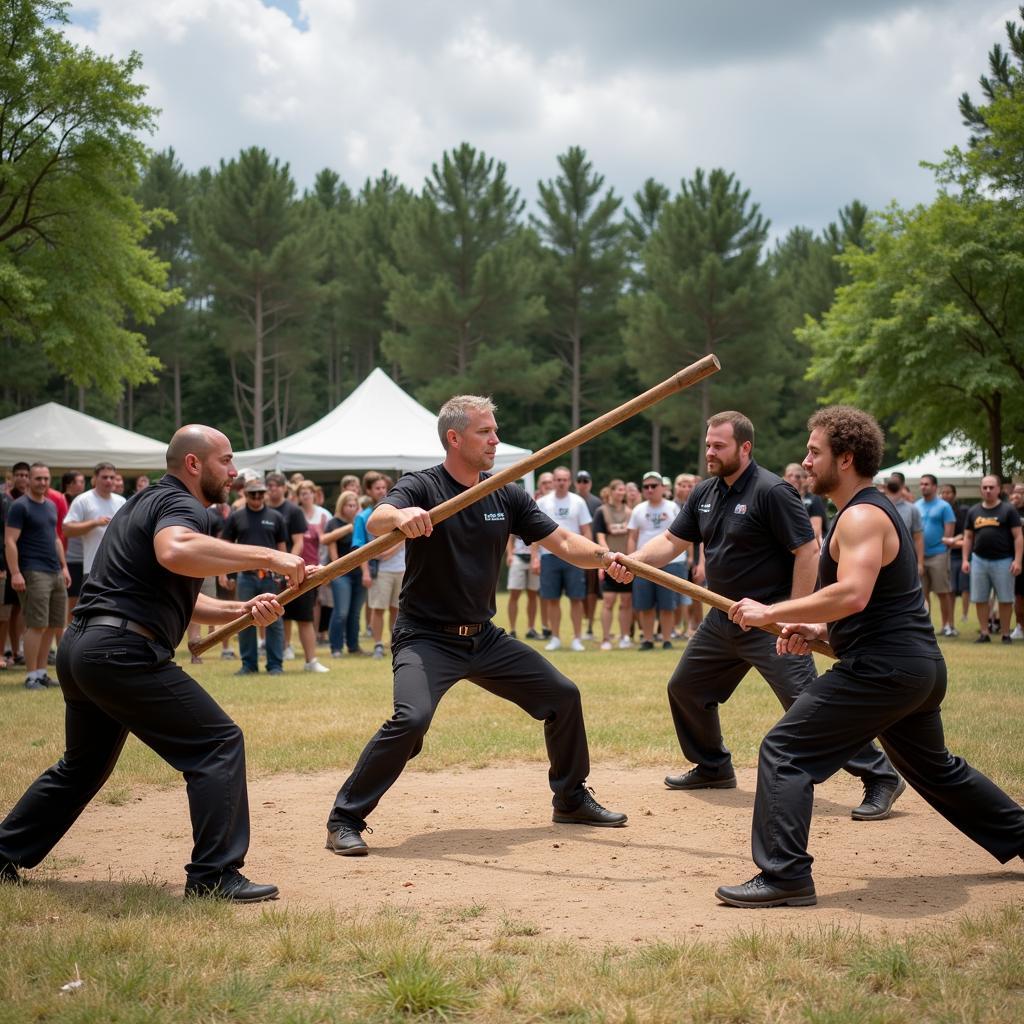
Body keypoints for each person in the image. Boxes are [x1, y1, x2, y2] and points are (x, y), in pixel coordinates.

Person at [718, 406, 1024, 907]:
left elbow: (854, 593)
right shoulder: (864, 512)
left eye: (815, 452)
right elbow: (867, 607)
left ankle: (785, 876)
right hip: (915, 669)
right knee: (937, 770)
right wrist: (814, 628)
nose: (805, 460)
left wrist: (770, 610)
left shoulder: (860, 515)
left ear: (846, 458)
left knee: (785, 751)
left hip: (885, 671)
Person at [0, 426, 305, 901]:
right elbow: (175, 551)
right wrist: (271, 555)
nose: (232, 471)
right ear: (193, 464)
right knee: (217, 743)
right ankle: (214, 875)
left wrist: (242, 610)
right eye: (226, 461)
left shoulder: (144, 504)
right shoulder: (183, 509)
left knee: (81, 767)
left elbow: (179, 598)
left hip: (86, 650)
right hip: (121, 652)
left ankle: (2, 853)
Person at [323, 395, 627, 856]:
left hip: (482, 638)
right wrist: (402, 516)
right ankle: (345, 818)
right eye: (485, 431)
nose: (495, 439)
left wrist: (606, 558)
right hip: (425, 636)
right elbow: (381, 517)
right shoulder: (422, 486)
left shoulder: (504, 490)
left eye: (494, 430)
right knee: (412, 719)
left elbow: (563, 540)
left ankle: (570, 798)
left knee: (562, 696)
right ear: (454, 438)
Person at [619, 411, 901, 819]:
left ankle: (880, 776)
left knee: (809, 704)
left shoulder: (773, 491)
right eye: (708, 444)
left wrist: (790, 618)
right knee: (687, 689)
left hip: (769, 622)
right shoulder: (705, 493)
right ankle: (712, 765)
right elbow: (670, 540)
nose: (710, 452)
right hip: (722, 615)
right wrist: (635, 561)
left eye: (719, 445)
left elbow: (807, 550)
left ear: (744, 447)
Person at [4, 463, 70, 690]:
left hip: (55, 571)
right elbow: (10, 540)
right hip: (32, 571)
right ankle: (31, 676)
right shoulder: (20, 506)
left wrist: (64, 567)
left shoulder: (51, 505)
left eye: (46, 478)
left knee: (53, 625)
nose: (42, 482)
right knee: (36, 625)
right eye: (38, 478)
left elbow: (55, 538)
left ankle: (41, 673)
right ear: (29, 480)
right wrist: (15, 572)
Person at [221, 478, 289, 676]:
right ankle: (248, 664)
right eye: (253, 494)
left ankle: (275, 665)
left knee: (274, 619)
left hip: (270, 577)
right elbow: (225, 547)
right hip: (246, 576)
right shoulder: (236, 517)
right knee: (244, 618)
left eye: (260, 493)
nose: (257, 497)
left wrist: (285, 575)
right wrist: (224, 573)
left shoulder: (275, 517)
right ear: (245, 494)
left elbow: (283, 549)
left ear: (265, 493)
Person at [536, 467, 592, 652]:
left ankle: (577, 638)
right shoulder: (543, 502)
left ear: (570, 481)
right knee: (552, 599)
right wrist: (534, 558)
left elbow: (586, 531)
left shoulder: (578, 502)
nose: (561, 482)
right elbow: (534, 533)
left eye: (565, 479)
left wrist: (590, 554)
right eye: (558, 479)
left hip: (574, 557)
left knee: (576, 598)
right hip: (549, 556)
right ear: (553, 481)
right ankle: (555, 637)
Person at [962, 475, 1023, 644]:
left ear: (998, 489)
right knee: (980, 599)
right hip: (979, 560)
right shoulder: (973, 511)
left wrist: (1017, 560)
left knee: (1005, 599)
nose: (988, 490)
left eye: (991, 487)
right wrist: (965, 560)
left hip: (1003, 560)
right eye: (985, 487)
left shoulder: (1008, 510)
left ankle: (1005, 634)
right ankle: (984, 632)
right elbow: (968, 537)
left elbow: (1018, 536)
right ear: (980, 489)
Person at [628, 471, 684, 650]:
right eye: (646, 487)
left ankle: (666, 638)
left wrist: (689, 558)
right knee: (645, 604)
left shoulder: (672, 508)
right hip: (644, 563)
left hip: (672, 561)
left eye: (654, 486)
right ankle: (648, 639)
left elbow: (683, 534)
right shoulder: (638, 509)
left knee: (667, 604)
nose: (650, 489)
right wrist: (631, 561)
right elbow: (632, 537)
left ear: (662, 487)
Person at [63, 463, 127, 583]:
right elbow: (67, 529)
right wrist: (94, 523)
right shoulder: (83, 500)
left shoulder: (121, 501)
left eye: (112, 477)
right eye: (104, 477)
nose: (109, 481)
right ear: (95, 478)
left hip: (119, 568)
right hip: (93, 568)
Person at [323, 491, 366, 657]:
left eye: (355, 505)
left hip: (359, 572)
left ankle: (353, 646)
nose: (353, 508)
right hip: (341, 574)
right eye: (349, 505)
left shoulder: (361, 522)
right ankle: (336, 647)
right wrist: (349, 527)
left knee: (355, 613)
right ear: (342, 505)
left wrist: (365, 572)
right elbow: (328, 544)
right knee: (341, 612)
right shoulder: (334, 523)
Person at [592, 478, 632, 650]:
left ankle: (625, 637)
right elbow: (600, 537)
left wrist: (632, 560)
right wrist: (604, 561)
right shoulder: (602, 512)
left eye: (623, 489)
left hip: (627, 560)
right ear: (611, 491)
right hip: (609, 562)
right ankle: (606, 639)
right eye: (618, 489)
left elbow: (632, 536)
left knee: (626, 602)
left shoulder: (630, 512)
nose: (621, 492)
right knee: (608, 601)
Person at [915, 474, 956, 636]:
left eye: (926, 484)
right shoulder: (916, 506)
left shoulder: (944, 506)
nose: (923, 487)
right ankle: (926, 627)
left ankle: (947, 625)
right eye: (921, 484)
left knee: (942, 592)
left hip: (939, 554)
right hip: (920, 556)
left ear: (934, 487)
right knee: (922, 594)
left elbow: (949, 533)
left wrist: (944, 548)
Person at [575, 471, 602, 639]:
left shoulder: (596, 503)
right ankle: (583, 620)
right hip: (573, 552)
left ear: (590, 483)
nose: (583, 483)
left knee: (591, 591)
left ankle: (590, 624)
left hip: (591, 552)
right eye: (580, 480)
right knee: (578, 591)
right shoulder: (573, 501)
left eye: (585, 480)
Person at [940, 483, 971, 628]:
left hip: (963, 553)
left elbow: (968, 532)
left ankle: (965, 615)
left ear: (955, 494)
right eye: (943, 493)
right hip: (948, 554)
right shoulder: (939, 510)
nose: (945, 495)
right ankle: (949, 623)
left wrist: (954, 540)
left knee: (965, 587)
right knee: (950, 589)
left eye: (948, 492)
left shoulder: (964, 510)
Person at [505, 532, 541, 640]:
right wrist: (510, 554)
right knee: (514, 595)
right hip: (518, 557)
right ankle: (512, 630)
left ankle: (531, 629)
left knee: (533, 595)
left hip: (534, 558)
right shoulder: (514, 517)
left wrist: (535, 558)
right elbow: (509, 536)